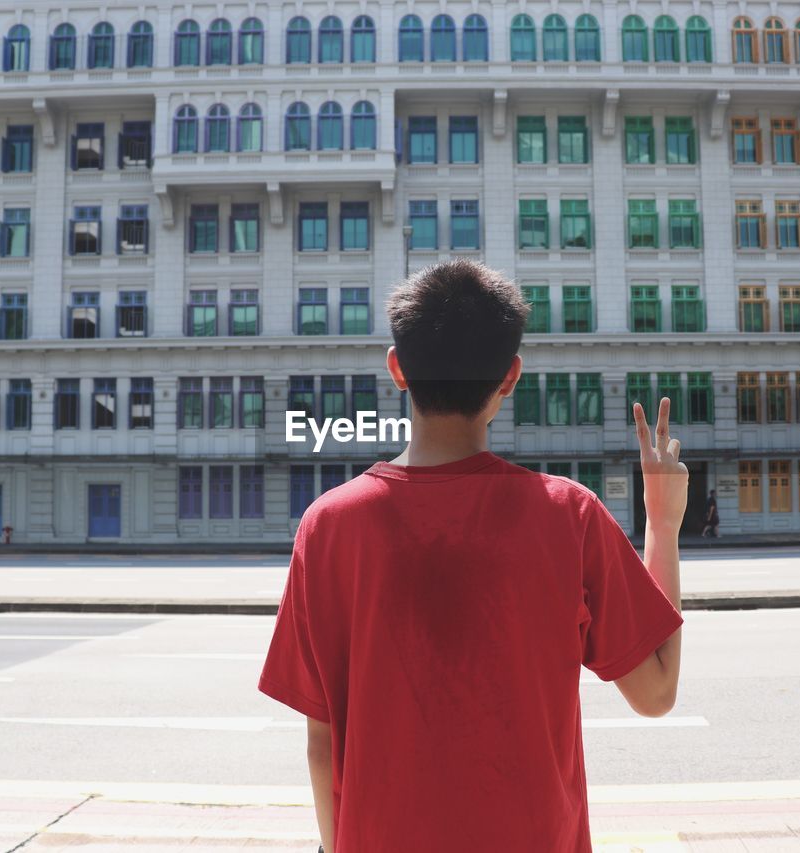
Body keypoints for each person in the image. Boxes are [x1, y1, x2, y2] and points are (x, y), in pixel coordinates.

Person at [259, 260, 686, 853]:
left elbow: (322, 743)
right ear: (510, 377)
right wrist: (662, 524)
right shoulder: (569, 515)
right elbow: (656, 692)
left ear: (397, 368)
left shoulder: (329, 526)